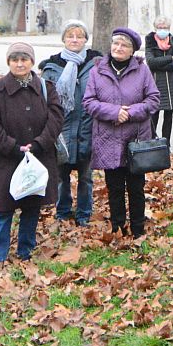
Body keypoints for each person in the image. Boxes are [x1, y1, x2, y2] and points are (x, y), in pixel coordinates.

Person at [0, 42, 65, 263]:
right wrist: (11, 147)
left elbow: (56, 118)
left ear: (32, 62)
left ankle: (25, 251)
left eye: (24, 59)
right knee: (3, 210)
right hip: (6, 158)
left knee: (31, 207)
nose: (19, 63)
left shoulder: (46, 87)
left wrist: (39, 144)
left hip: (38, 155)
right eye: (15, 59)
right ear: (8, 62)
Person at [83, 28, 162, 236]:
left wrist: (131, 112)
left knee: (136, 187)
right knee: (114, 187)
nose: (118, 48)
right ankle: (118, 227)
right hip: (107, 137)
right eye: (116, 43)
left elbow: (153, 99)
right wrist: (114, 112)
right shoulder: (97, 70)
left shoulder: (142, 70)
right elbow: (89, 102)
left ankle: (137, 228)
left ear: (132, 50)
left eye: (124, 45)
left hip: (135, 138)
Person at [41, 21, 100, 226]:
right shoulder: (51, 67)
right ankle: (63, 211)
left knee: (85, 177)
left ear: (85, 39)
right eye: (70, 36)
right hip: (61, 130)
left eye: (79, 36)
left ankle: (84, 213)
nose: (74, 40)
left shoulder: (96, 64)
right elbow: (44, 100)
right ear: (64, 39)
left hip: (87, 128)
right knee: (60, 176)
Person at [144, 16, 173, 142]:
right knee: (154, 114)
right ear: (155, 28)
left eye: (165, 28)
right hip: (156, 82)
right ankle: (153, 142)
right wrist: (169, 58)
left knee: (169, 116)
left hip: (171, 83)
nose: (162, 30)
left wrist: (162, 64)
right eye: (160, 28)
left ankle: (166, 143)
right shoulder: (150, 40)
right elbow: (151, 62)